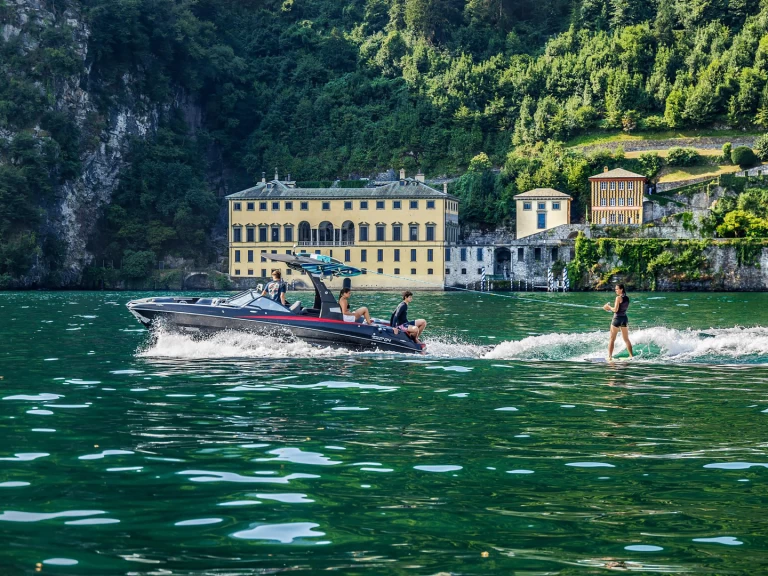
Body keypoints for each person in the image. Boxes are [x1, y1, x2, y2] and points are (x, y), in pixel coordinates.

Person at [603, 283, 634, 361]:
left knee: (612, 339)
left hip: (617, 319)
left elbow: (616, 310)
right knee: (626, 339)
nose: (615, 290)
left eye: (617, 289)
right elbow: (621, 309)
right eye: (615, 289)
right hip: (624, 319)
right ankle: (631, 356)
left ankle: (609, 357)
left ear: (621, 289)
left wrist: (608, 307)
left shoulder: (618, 298)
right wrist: (610, 309)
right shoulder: (627, 298)